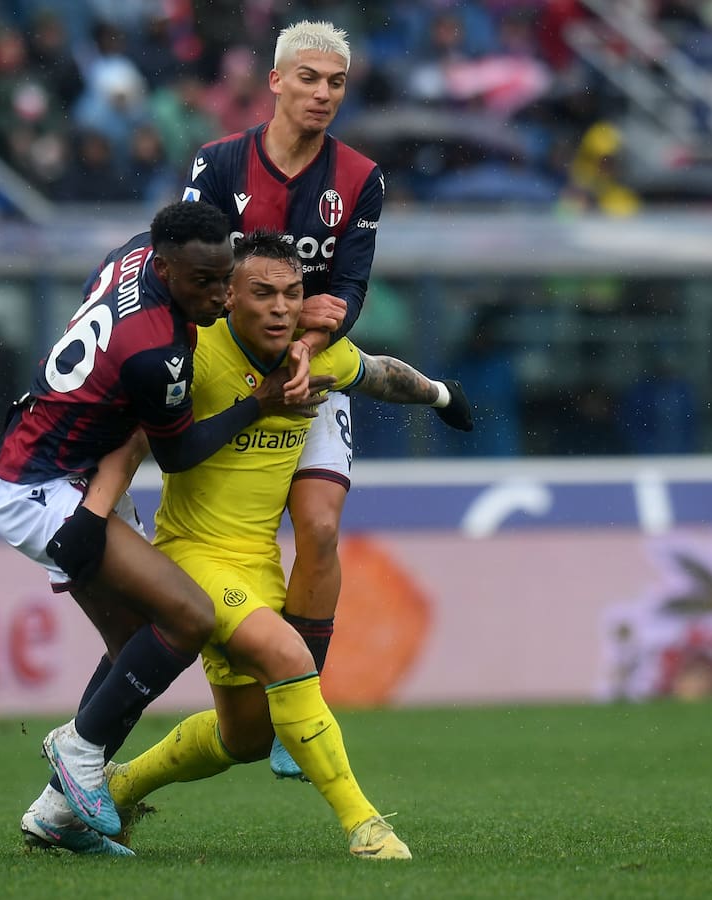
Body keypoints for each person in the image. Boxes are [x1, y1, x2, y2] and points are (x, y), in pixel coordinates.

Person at [31, 230, 473, 860]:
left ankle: (118, 787)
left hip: (257, 564)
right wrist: (94, 515)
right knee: (291, 658)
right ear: (228, 298)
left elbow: (376, 375)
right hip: (192, 557)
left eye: (291, 294)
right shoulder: (192, 353)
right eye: (262, 293)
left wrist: (441, 395)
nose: (279, 308)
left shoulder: (315, 354)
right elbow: (130, 443)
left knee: (243, 737)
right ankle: (365, 826)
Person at [0, 202, 330, 856]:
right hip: (44, 487)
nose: (219, 295)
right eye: (203, 283)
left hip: (63, 464)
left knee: (133, 643)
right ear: (167, 269)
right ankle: (80, 748)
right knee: (188, 618)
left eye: (223, 277)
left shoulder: (134, 254)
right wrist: (257, 404)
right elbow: (174, 452)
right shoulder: (161, 353)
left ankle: (58, 816)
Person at [181, 19, 452, 779]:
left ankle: (300, 703)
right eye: (308, 79)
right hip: (223, 368)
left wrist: (304, 347)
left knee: (321, 528)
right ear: (275, 82)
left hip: (313, 365)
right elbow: (189, 268)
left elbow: (349, 289)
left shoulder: (361, 177)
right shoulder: (216, 165)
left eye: (336, 82)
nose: (323, 94)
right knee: (216, 531)